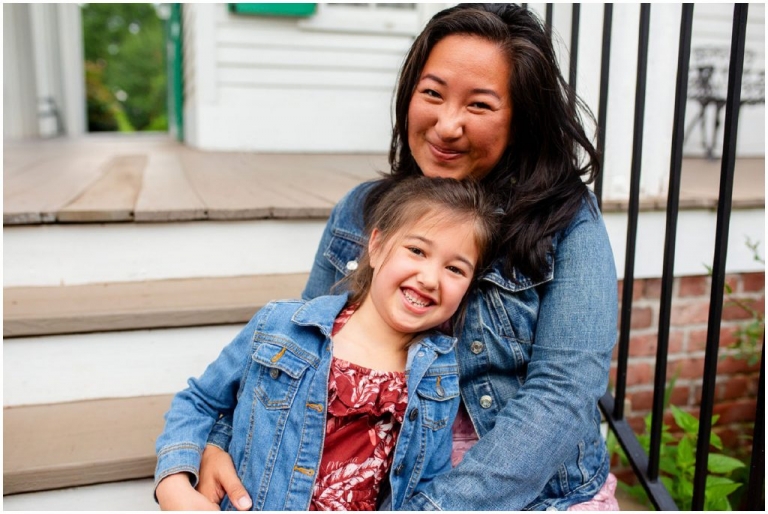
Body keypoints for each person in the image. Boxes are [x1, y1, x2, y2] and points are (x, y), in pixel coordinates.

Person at [198, 3, 620, 511]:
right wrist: (213, 441)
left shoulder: (566, 220)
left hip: (535, 495)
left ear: (521, 119)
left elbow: (563, 395)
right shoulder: (361, 211)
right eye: (432, 94)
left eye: (480, 105)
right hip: (380, 488)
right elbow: (298, 354)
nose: (446, 125)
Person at [154, 176, 500, 510]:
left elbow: (426, 482)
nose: (429, 278)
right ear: (376, 247)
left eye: (455, 269)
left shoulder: (438, 375)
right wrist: (174, 482)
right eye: (416, 250)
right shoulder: (282, 327)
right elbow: (199, 402)